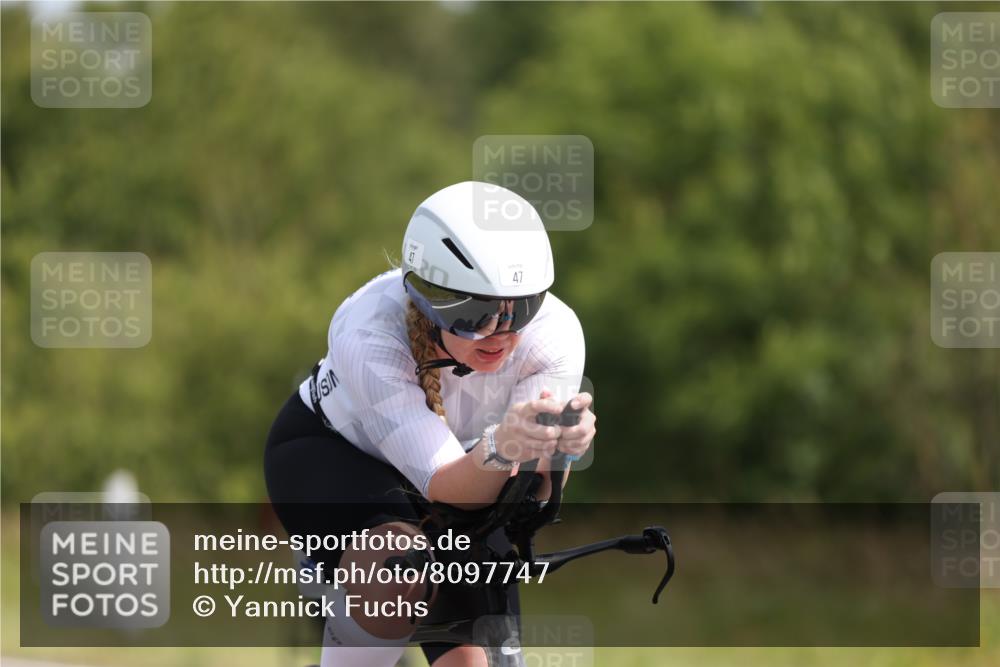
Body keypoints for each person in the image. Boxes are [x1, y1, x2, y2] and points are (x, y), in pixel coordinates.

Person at [264, 181, 596, 667]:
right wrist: (506, 444)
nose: (499, 333)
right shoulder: (369, 331)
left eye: (519, 308)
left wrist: (559, 450)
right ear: (427, 297)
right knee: (398, 569)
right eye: (476, 313)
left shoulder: (554, 334)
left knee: (475, 659)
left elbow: (530, 497)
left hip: (470, 467)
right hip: (334, 455)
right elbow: (445, 485)